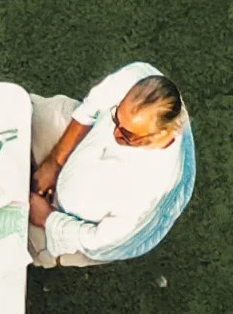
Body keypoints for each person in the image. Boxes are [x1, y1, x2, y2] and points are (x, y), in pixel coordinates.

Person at [27, 66, 193, 268]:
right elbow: (92, 107)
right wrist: (54, 162)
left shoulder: (150, 192)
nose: (116, 135)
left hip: (68, 226)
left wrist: (46, 218)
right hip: (76, 148)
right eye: (116, 118)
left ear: (162, 135)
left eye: (128, 135)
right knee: (17, 115)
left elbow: (102, 241)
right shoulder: (135, 77)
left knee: (11, 240)